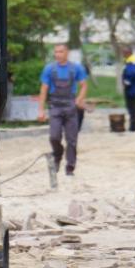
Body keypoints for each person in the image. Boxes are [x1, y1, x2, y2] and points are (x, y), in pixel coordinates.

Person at [37, 44, 88, 181]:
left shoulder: (76, 68)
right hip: (55, 106)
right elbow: (44, 89)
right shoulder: (49, 69)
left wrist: (80, 99)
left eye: (60, 51)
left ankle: (70, 167)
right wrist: (41, 110)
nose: (57, 54)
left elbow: (84, 85)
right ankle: (57, 155)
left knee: (72, 140)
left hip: (71, 106)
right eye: (56, 52)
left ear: (67, 53)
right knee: (54, 137)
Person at [121, 45, 135, 132]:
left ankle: (133, 126)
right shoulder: (133, 60)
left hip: (132, 87)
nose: (123, 54)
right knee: (132, 106)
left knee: (131, 106)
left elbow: (132, 73)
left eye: (124, 52)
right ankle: (133, 125)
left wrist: (127, 82)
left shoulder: (132, 61)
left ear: (128, 53)